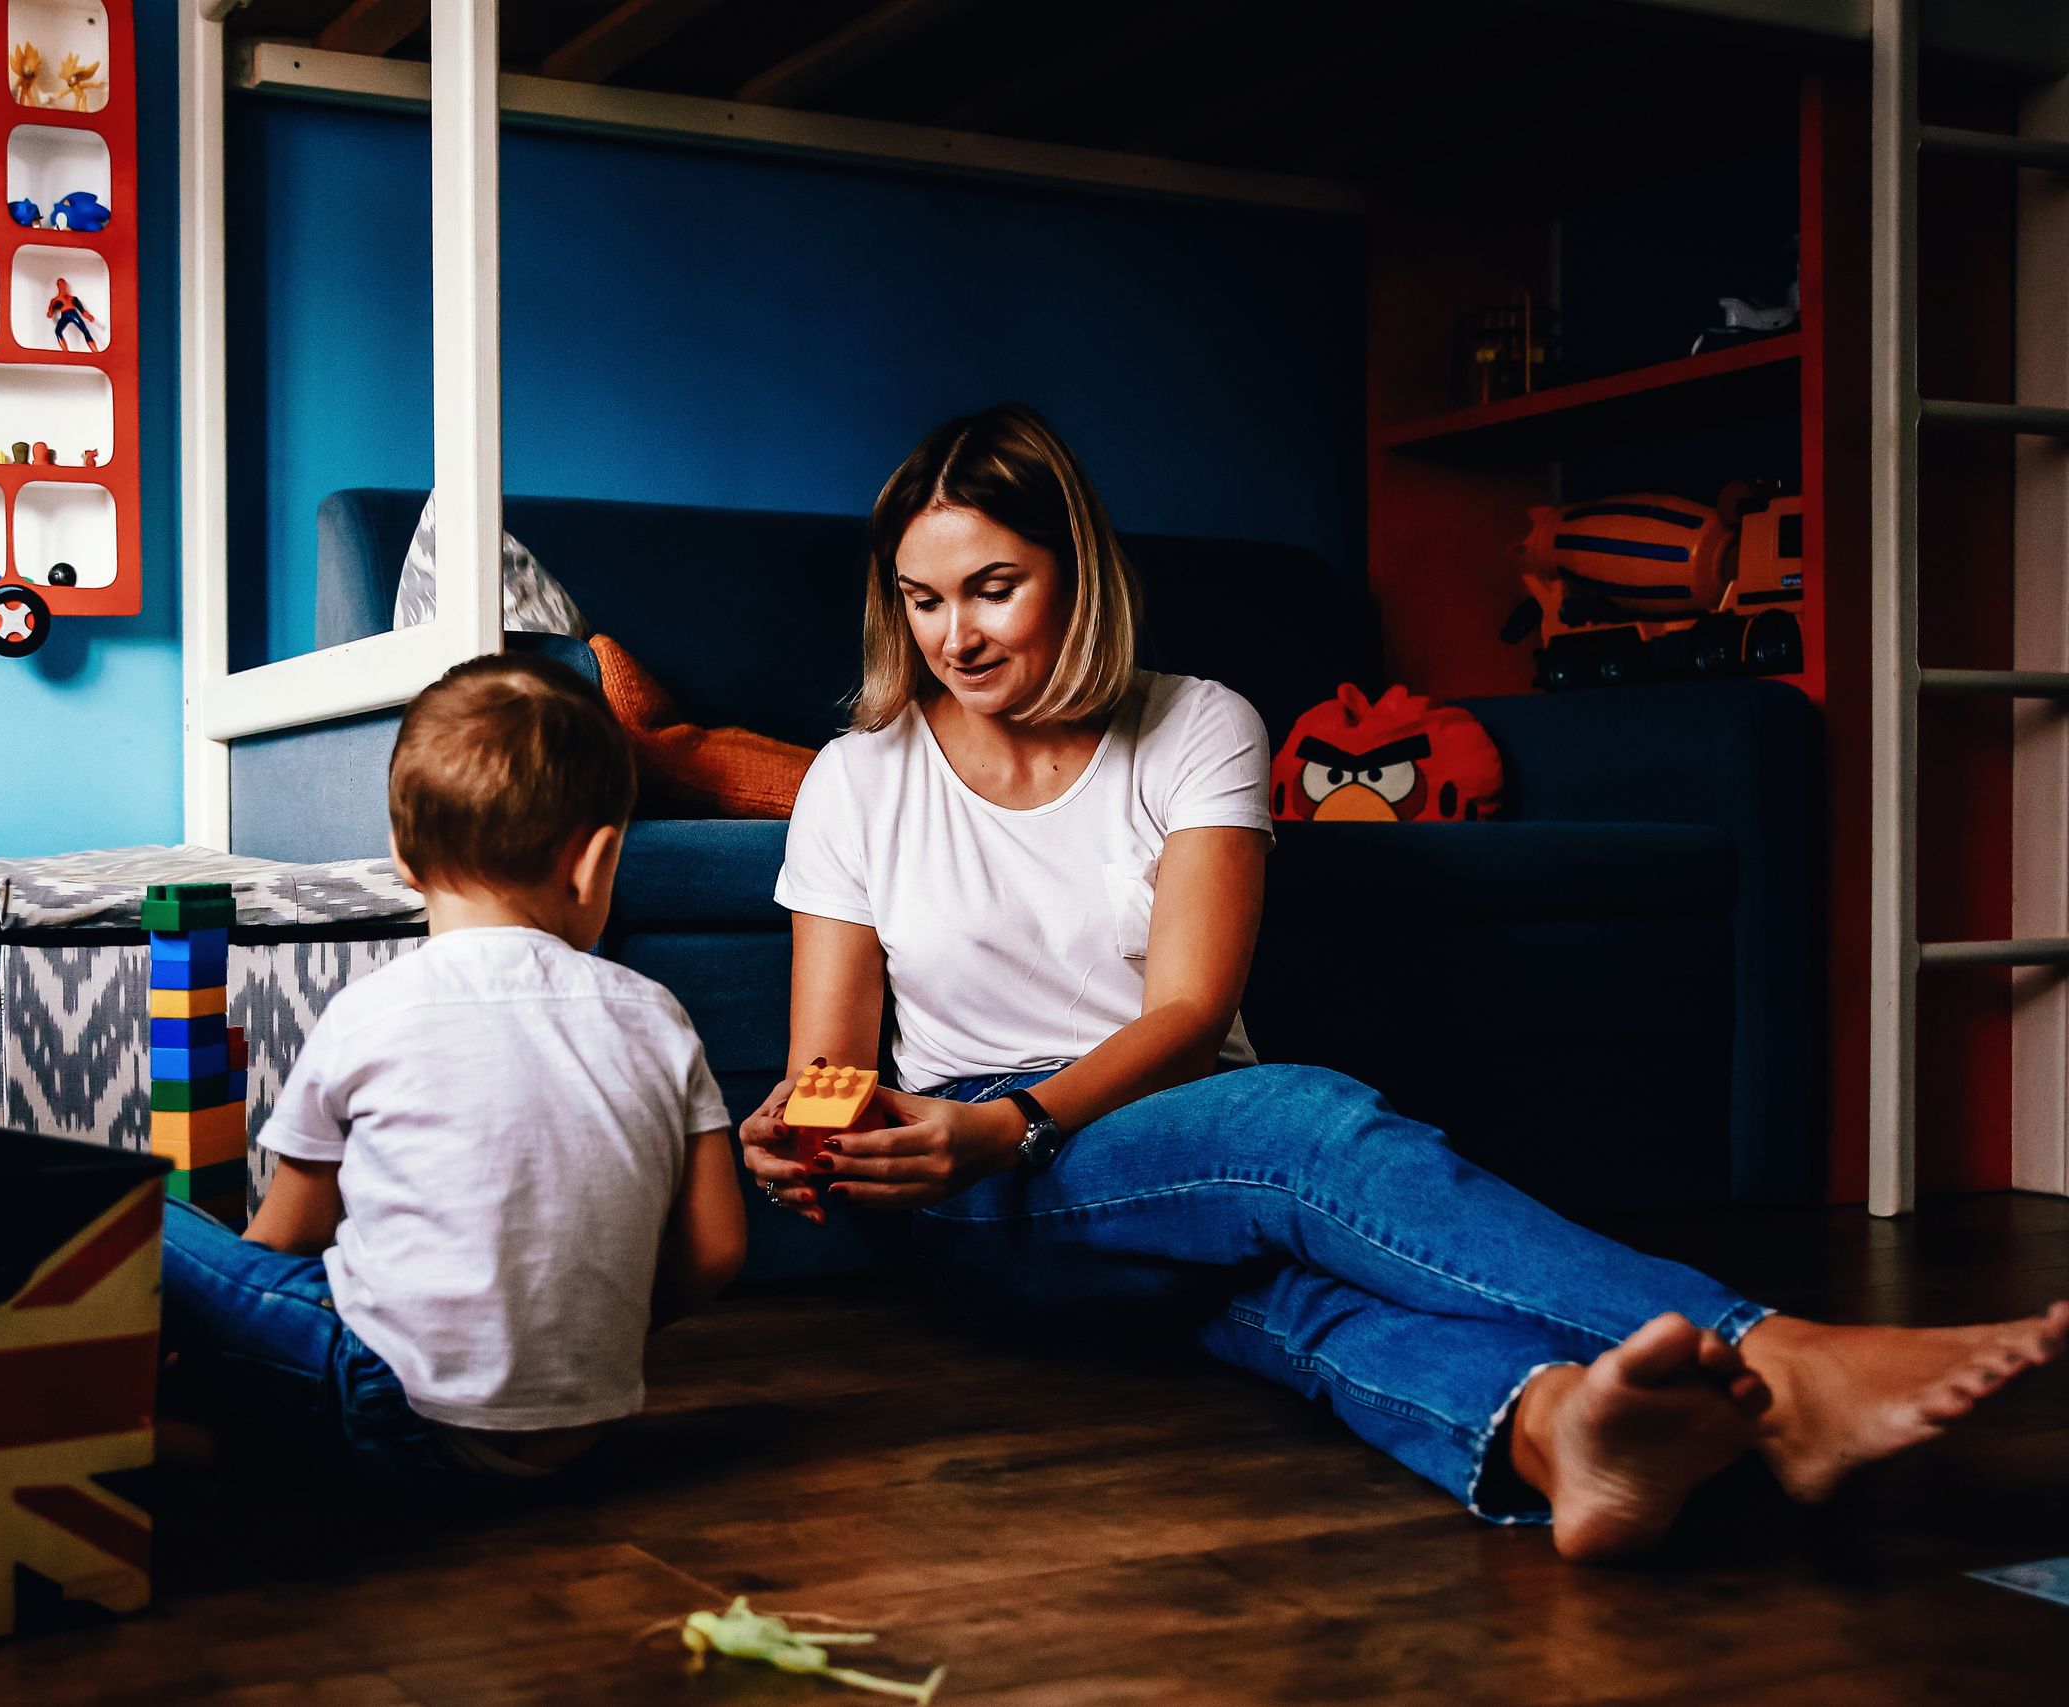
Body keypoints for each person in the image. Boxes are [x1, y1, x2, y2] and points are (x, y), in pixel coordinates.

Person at [740, 404, 2067, 1562]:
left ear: (1075, 572)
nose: (954, 637)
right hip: (990, 1186)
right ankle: (1777, 1352)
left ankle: (1555, 1439)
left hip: (1170, 1128)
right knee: (1302, 1125)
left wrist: (1024, 1116)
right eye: (921, 599)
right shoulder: (861, 775)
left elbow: (1191, 1011)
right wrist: (809, 1137)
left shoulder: (1198, 719)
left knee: (1300, 1297)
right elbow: (833, 1061)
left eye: (992, 587)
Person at [160, 654, 747, 1503]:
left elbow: (286, 1238)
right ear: (597, 860)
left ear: (401, 853)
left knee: (146, 1222)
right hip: (576, 1441)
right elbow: (718, 1248)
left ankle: (154, 1434)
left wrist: (214, 1338)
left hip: (392, 1402)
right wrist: (586, 1328)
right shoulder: (658, 1015)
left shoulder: (370, 1010)